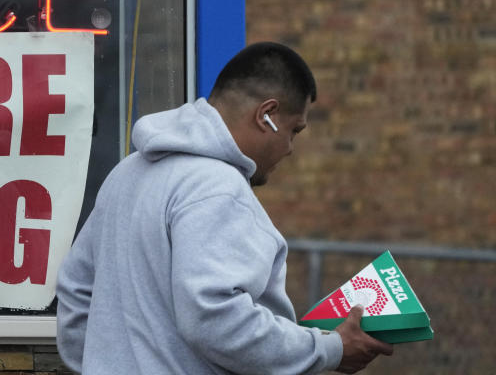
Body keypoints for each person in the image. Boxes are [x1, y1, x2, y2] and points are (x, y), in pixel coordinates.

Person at [56, 42, 393, 374]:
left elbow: (75, 288)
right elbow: (215, 319)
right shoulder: (218, 188)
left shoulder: (127, 173)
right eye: (293, 130)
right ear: (267, 116)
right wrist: (329, 349)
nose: (290, 148)